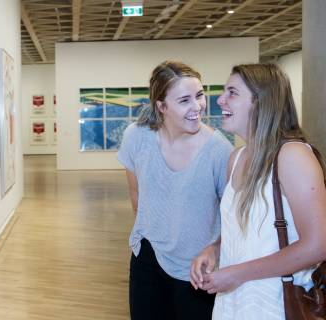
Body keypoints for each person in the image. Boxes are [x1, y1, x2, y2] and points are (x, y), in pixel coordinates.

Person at [190, 63, 326, 319]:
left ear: (262, 102)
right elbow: (248, 232)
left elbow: (318, 245)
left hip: (276, 304)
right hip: (233, 304)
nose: (220, 99)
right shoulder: (236, 158)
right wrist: (215, 249)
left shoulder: (292, 155)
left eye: (232, 92)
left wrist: (236, 273)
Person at [118, 61, 232, 319]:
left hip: (197, 268)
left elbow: (234, 218)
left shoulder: (219, 151)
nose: (197, 106)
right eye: (184, 100)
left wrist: (215, 249)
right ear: (161, 106)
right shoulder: (136, 137)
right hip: (147, 257)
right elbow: (137, 197)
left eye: (200, 96)